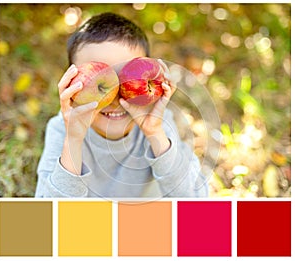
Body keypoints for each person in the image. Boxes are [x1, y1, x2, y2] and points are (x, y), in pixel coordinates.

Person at [35, 12, 208, 198]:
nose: (114, 97)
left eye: (126, 79)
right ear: (71, 84)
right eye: (100, 80)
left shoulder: (159, 122)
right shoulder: (63, 129)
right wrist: (73, 140)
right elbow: (49, 215)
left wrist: (155, 134)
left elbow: (195, 201)